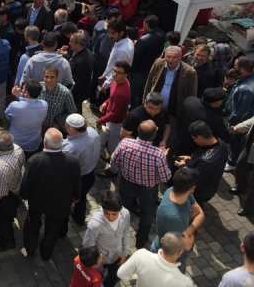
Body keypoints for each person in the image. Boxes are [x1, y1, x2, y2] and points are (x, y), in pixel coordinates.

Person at [21, 128, 81, 260]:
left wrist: (24, 195)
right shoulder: (73, 162)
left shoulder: (35, 161)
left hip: (37, 202)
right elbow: (76, 184)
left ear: (44, 142)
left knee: (33, 224)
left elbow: (26, 184)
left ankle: (30, 249)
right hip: (60, 203)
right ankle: (46, 253)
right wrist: (76, 197)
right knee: (53, 229)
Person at [111, 120, 171, 248]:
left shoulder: (125, 143)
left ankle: (118, 235)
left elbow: (114, 161)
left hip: (126, 183)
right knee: (147, 215)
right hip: (148, 190)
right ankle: (140, 241)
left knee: (122, 210)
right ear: (154, 135)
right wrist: (164, 158)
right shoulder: (158, 154)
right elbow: (165, 177)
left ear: (138, 131)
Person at [152, 169, 205, 272]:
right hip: (170, 257)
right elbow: (187, 245)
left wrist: (187, 232)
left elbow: (200, 213)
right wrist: (190, 232)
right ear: (192, 188)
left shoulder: (172, 190)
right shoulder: (175, 218)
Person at [143, 45, 198, 142]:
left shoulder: (190, 72)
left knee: (169, 136)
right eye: (168, 57)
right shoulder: (158, 64)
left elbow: (192, 94)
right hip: (154, 107)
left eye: (174, 57)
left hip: (174, 110)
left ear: (180, 57)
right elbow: (149, 82)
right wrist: (144, 100)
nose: (171, 60)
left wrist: (186, 113)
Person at [82, 190, 131, 287]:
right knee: (98, 280)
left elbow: (125, 234)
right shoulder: (94, 224)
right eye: (106, 213)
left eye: (114, 214)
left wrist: (124, 253)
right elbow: (88, 245)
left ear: (120, 209)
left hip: (117, 256)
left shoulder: (126, 214)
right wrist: (97, 259)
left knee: (113, 278)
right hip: (100, 261)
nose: (110, 217)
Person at [174, 120, 228, 204]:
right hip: (211, 187)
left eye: (193, 138)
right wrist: (191, 159)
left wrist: (183, 167)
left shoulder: (206, 161)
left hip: (199, 192)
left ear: (199, 137)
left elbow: (194, 177)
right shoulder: (222, 144)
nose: (194, 141)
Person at [63, 113, 101, 225]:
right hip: (90, 174)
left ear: (72, 129)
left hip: (77, 179)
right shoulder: (93, 132)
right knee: (82, 197)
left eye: (66, 126)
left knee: (68, 199)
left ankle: (66, 217)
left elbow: (65, 167)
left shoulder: (70, 147)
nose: (65, 127)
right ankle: (79, 219)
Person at [0, 131, 25, 251]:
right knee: (9, 214)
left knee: (2, 221)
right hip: (16, 188)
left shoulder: (0, 167)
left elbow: (0, 194)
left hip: (5, 197)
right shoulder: (18, 149)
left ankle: (6, 243)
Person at [117, 232, 193, 287]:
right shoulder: (184, 282)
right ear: (180, 252)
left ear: (162, 241)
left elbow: (121, 274)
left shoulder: (141, 254)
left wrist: (139, 274)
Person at [98, 61, 131, 177]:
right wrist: (106, 103)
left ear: (126, 75)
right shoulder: (116, 81)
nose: (115, 74)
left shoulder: (122, 93)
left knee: (114, 148)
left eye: (119, 72)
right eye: (114, 71)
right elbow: (111, 97)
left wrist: (100, 120)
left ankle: (113, 170)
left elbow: (114, 114)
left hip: (116, 123)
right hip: (110, 119)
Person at [5, 79, 48, 157]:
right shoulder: (44, 105)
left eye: (23, 89)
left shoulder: (14, 105)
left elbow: (7, 116)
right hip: (34, 144)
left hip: (16, 144)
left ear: (26, 92)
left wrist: (17, 96)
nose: (21, 90)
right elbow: (29, 101)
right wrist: (20, 96)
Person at [130, 15, 165, 107]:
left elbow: (135, 57)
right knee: (145, 92)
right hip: (152, 69)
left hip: (140, 71)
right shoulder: (161, 35)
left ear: (146, 24)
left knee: (136, 94)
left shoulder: (144, 40)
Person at [226, 57, 254, 171]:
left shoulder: (245, 89)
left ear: (242, 69)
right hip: (245, 121)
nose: (234, 68)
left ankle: (232, 163)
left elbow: (241, 112)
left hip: (239, 122)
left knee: (235, 142)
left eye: (236, 66)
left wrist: (232, 123)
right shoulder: (246, 81)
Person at [39, 67, 77, 132]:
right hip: (40, 126)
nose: (49, 80)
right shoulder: (39, 88)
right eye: (46, 77)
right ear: (43, 77)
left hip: (56, 129)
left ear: (57, 78)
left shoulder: (65, 93)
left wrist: (59, 121)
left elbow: (72, 112)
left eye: (52, 77)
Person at [100, 19, 134, 89]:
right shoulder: (125, 41)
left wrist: (105, 85)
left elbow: (118, 73)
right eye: (109, 33)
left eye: (112, 33)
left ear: (121, 33)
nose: (110, 36)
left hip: (112, 85)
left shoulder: (122, 51)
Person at [68, 30, 95, 113]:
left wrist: (69, 92)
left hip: (77, 93)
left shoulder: (82, 61)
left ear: (78, 44)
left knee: (75, 111)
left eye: (71, 41)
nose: (69, 43)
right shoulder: (87, 52)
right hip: (82, 91)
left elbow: (79, 81)